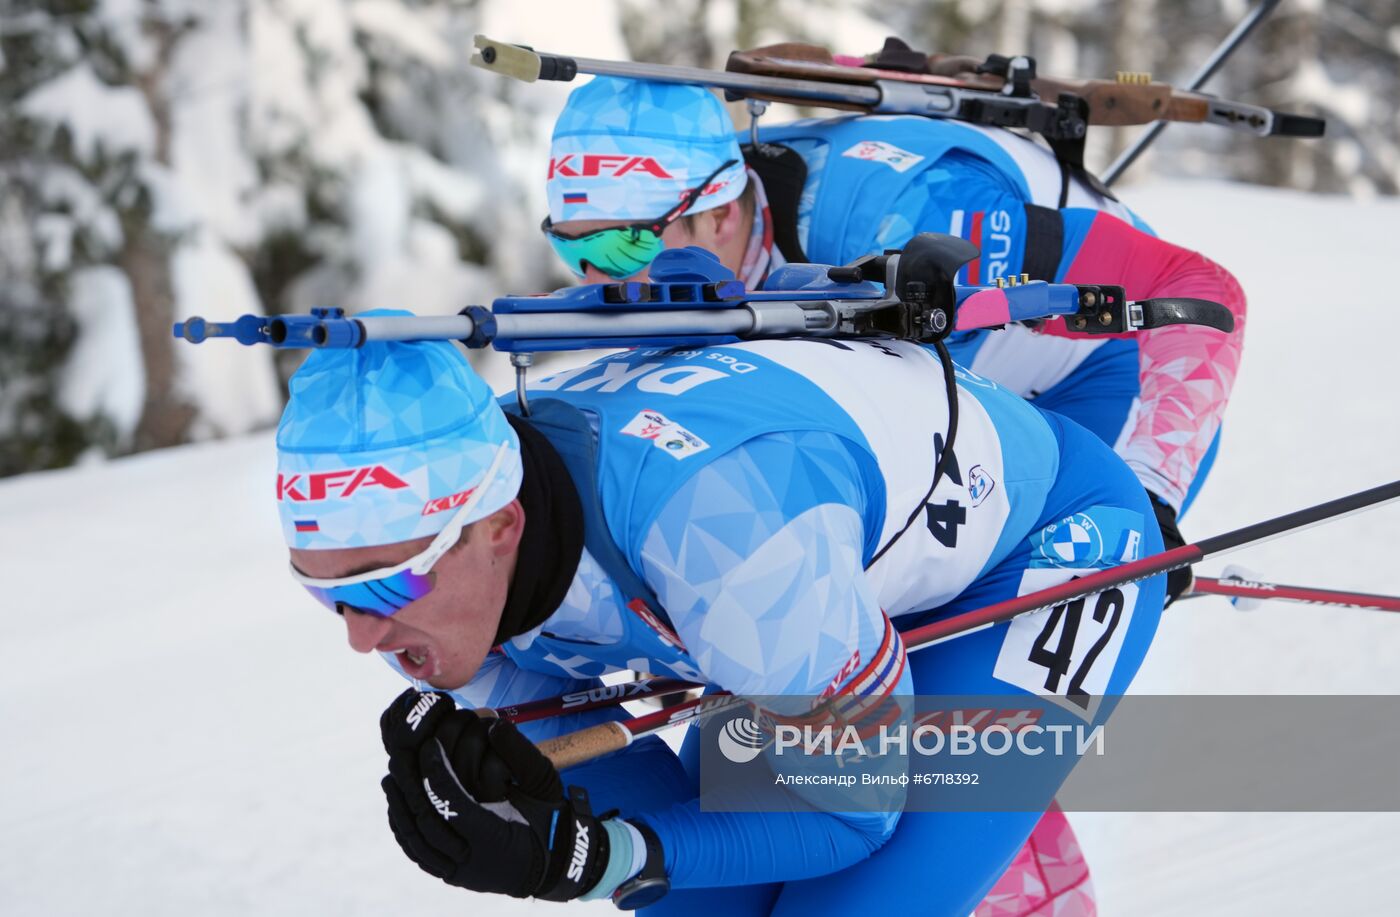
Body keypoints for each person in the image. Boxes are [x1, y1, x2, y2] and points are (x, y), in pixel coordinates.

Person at [277, 308, 1167, 912]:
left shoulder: (719, 526)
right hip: (810, 599)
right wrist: (543, 833)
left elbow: (848, 813)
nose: (362, 636)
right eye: (324, 592)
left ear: (499, 522)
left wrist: (589, 857)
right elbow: (615, 836)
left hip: (1050, 547)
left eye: (382, 585)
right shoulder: (435, 583)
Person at [542, 77, 1248, 608]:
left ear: (723, 211)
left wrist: (1152, 492)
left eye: (627, 242)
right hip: (947, 395)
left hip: (1104, 379)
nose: (600, 280)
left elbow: (1202, 287)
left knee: (961, 699)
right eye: (574, 250)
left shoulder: (909, 212)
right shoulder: (688, 251)